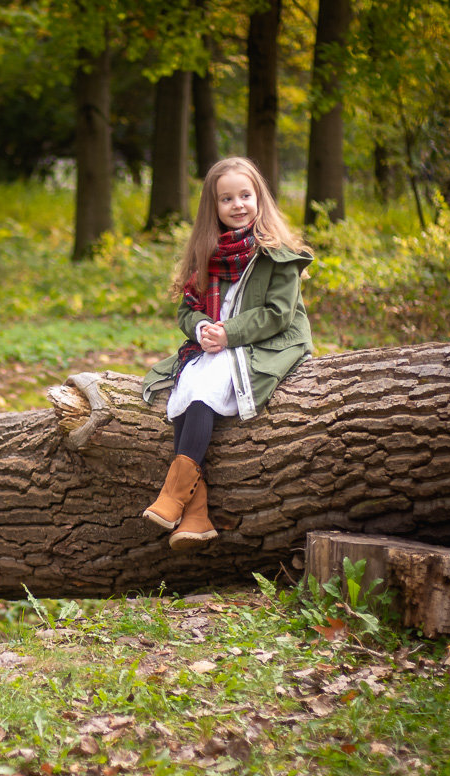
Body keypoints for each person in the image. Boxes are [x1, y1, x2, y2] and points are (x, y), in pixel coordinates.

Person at [141, 156, 314, 551]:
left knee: (204, 389)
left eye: (245, 195)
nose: (237, 205)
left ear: (259, 199)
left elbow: (278, 315)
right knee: (183, 392)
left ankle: (174, 498)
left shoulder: (277, 253)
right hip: (219, 342)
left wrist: (228, 332)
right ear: (213, 207)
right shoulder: (210, 254)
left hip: (267, 343)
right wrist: (202, 328)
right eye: (226, 198)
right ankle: (196, 515)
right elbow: (188, 311)